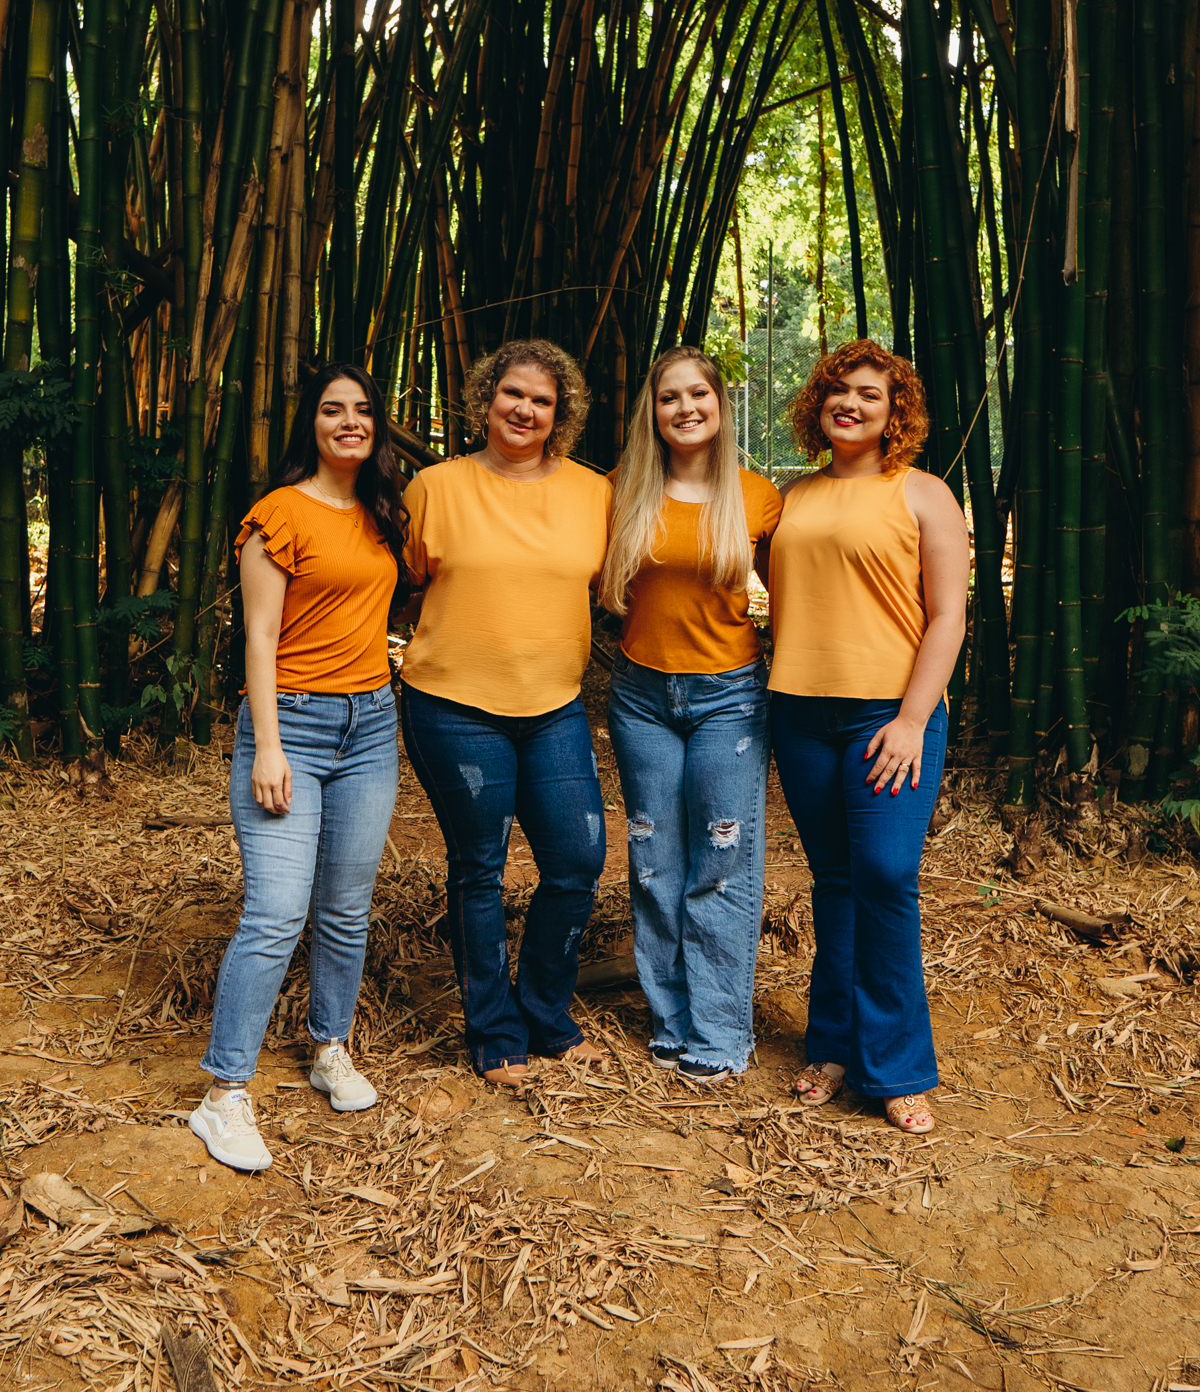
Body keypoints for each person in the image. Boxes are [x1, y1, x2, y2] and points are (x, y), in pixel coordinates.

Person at [189, 365, 409, 1173]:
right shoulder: (276, 516)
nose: (348, 422)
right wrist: (270, 745)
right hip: (296, 726)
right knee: (277, 911)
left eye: (361, 410)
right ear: (309, 425)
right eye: (331, 410)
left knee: (346, 907)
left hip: (372, 724)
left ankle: (329, 1047)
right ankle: (221, 1095)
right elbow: (259, 639)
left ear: (376, 425)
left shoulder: (386, 512)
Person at [765, 338, 968, 1134]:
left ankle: (897, 1068)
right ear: (819, 403)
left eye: (869, 395)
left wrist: (913, 719)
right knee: (836, 882)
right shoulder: (791, 497)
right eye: (837, 390)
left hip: (889, 715)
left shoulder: (923, 494)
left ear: (895, 415)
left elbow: (948, 615)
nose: (850, 402)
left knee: (884, 874)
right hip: (801, 711)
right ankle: (833, 1046)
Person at [399, 339, 611, 1086]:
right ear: (486, 400)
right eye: (512, 394)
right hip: (454, 704)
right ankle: (495, 1032)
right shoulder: (434, 487)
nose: (525, 409)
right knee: (479, 869)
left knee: (578, 861)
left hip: (552, 705)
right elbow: (407, 581)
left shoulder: (596, 493)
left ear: (562, 415)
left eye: (542, 400)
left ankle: (547, 1013)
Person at [600, 347, 782, 1085]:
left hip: (728, 698)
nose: (685, 408)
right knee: (653, 862)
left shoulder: (757, 495)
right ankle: (671, 1020)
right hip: (642, 695)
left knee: (721, 862)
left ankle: (719, 1030)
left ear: (719, 402)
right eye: (669, 397)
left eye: (697, 393)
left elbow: (806, 593)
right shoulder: (621, 489)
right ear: (654, 410)